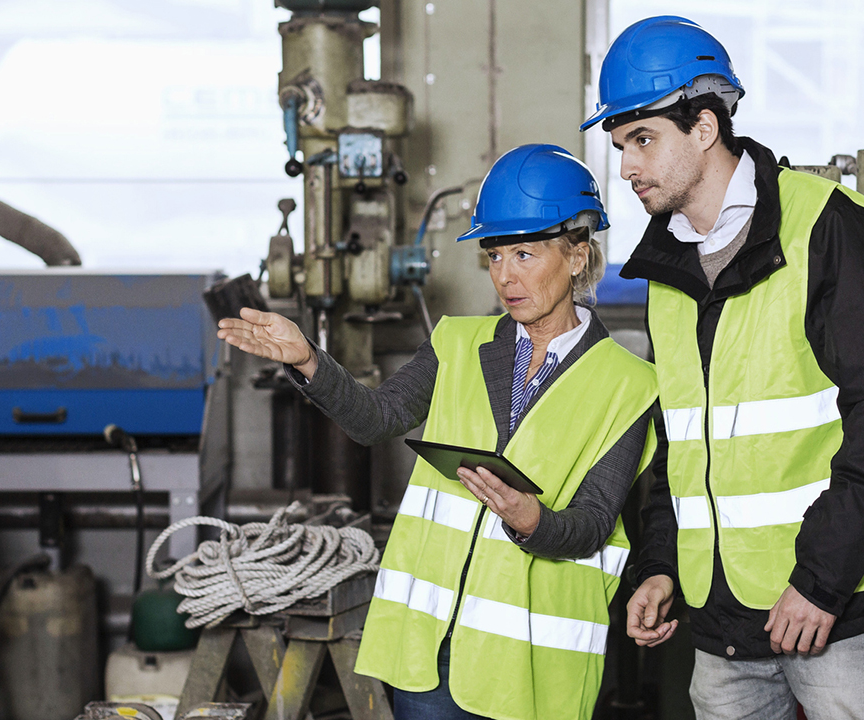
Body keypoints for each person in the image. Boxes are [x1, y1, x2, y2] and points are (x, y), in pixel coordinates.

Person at [581, 16, 864, 720]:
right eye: (620, 145)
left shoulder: (827, 224)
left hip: (838, 605)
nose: (626, 166)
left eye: (641, 140)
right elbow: (680, 447)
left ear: (702, 127)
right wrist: (661, 564)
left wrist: (819, 583)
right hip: (725, 617)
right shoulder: (665, 268)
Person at [215, 144, 658, 720]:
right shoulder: (457, 343)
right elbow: (376, 420)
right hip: (431, 654)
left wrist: (533, 522)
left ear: (577, 256)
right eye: (495, 256)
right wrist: (308, 361)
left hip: (530, 670)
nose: (506, 276)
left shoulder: (629, 384)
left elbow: (596, 522)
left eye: (524, 253)